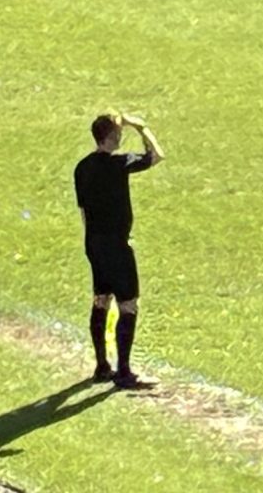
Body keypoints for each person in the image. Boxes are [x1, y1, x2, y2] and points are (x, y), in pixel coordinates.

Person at [75, 112, 164, 390]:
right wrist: (142, 127)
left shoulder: (82, 168)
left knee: (101, 299)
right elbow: (156, 156)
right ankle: (123, 372)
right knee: (128, 304)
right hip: (116, 245)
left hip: (94, 244)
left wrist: (92, 243)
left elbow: (83, 212)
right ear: (110, 137)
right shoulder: (118, 164)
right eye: (118, 133)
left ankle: (102, 365)